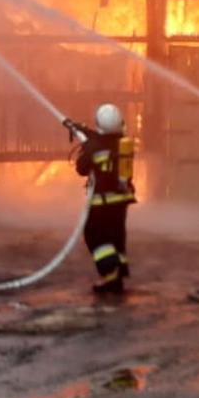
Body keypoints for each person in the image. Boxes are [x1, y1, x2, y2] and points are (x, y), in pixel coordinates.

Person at [64, 103, 136, 294]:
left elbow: (81, 169)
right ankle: (118, 276)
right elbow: (103, 139)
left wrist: (86, 146)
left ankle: (111, 276)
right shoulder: (122, 143)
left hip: (102, 203)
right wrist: (81, 130)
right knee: (115, 237)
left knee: (95, 236)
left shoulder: (93, 147)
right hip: (121, 201)